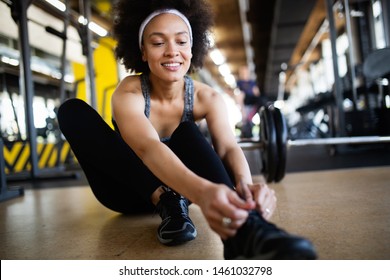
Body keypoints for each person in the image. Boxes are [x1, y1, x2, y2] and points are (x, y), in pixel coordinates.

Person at [57, 0, 316, 259]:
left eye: (181, 42)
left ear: (192, 49)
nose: (172, 52)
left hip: (186, 190)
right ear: (143, 51)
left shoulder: (208, 98)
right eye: (158, 43)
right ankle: (167, 202)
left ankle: (245, 230)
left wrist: (246, 189)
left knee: (187, 132)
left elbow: (227, 147)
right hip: (128, 192)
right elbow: (148, 148)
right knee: (72, 111)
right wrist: (204, 194)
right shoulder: (129, 92)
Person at [236, 65, 265, 138]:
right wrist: (242, 109)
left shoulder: (252, 82)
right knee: (247, 122)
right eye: (243, 72)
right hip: (245, 100)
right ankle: (246, 132)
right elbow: (239, 95)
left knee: (262, 100)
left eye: (246, 72)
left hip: (253, 101)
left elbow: (257, 93)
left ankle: (261, 120)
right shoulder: (239, 83)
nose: (244, 74)